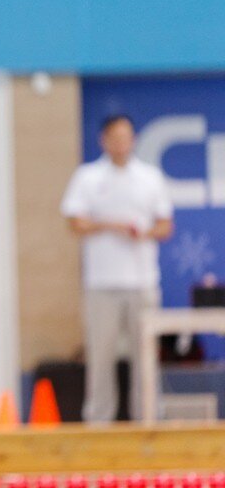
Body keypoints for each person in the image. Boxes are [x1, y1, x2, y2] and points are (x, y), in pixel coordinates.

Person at [61, 114, 174, 422]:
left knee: (146, 358)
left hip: (142, 282)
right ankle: (98, 421)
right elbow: (75, 221)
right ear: (104, 141)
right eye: (115, 138)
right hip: (102, 284)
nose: (121, 144)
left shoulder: (150, 177)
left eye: (126, 138)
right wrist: (111, 226)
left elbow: (165, 225)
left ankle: (148, 417)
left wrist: (142, 232)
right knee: (100, 357)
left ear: (133, 140)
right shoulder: (88, 177)